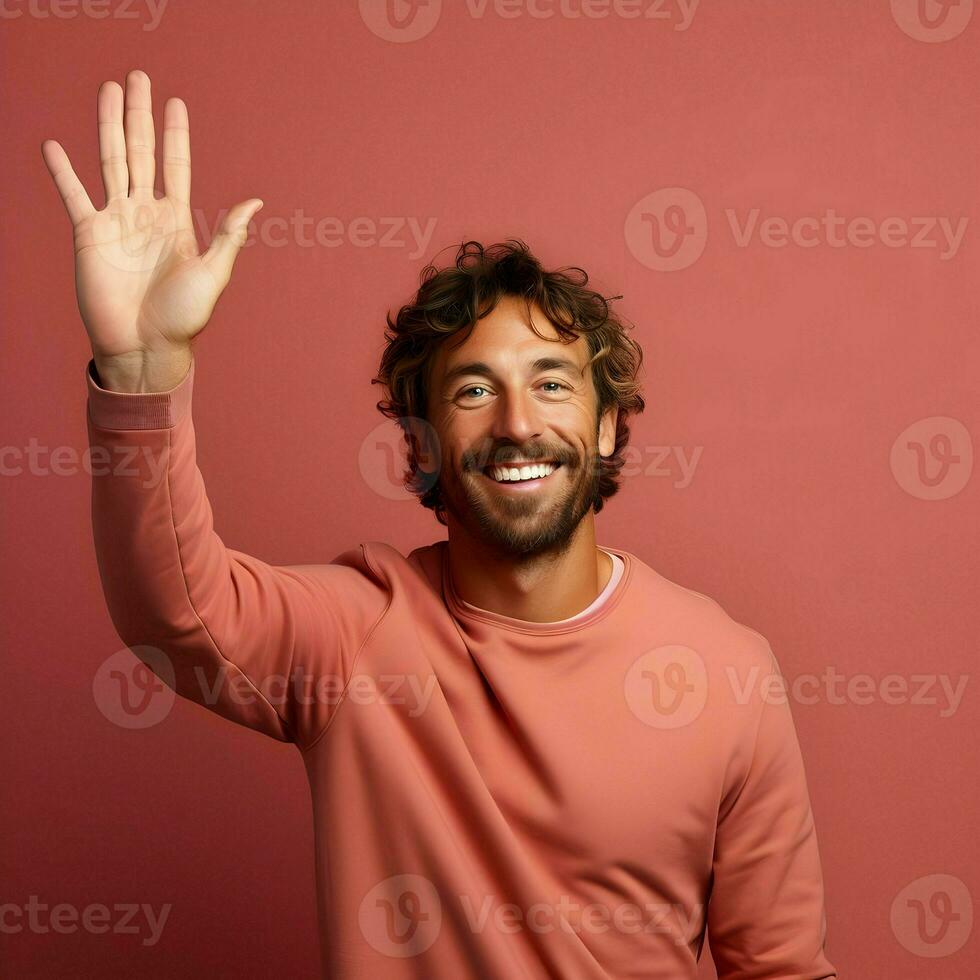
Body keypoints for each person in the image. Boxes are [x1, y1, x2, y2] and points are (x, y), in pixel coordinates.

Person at [42, 69, 837, 979]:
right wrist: (142, 371)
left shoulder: (728, 671)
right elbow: (169, 615)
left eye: (551, 382)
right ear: (422, 435)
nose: (517, 424)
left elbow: (779, 969)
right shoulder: (357, 636)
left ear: (608, 421)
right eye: (472, 390)